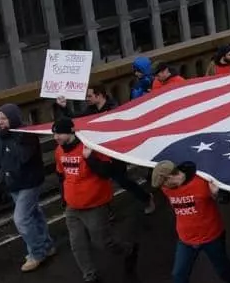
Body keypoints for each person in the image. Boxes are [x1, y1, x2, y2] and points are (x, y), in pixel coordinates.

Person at [53, 117, 137, 283]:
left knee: (102, 242)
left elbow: (107, 172)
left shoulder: (89, 148)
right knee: (77, 244)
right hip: (73, 207)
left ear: (70, 132)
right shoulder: (59, 151)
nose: (56, 137)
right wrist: (64, 198)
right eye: (54, 133)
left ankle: (128, 249)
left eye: (59, 133)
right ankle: (90, 278)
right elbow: (61, 175)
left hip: (94, 205)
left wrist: (89, 159)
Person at [55, 85, 156, 215]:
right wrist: (64, 107)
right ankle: (105, 212)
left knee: (122, 180)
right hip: (99, 152)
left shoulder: (113, 108)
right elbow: (76, 120)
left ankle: (146, 198)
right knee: (99, 181)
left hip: (114, 153)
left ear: (100, 95)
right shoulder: (91, 109)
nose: (87, 99)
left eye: (89, 96)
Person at [0, 103, 55, 272]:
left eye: (4, 119)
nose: (0, 122)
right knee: (33, 213)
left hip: (29, 182)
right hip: (12, 183)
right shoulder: (0, 136)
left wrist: (10, 138)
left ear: (13, 118)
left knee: (21, 219)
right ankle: (47, 245)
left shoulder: (26, 134)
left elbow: (23, 157)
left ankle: (37, 253)